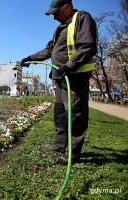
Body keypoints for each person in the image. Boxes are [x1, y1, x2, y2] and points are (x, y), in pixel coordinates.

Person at [20, 0, 97, 165]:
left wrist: (68, 67)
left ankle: (72, 154)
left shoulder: (81, 18)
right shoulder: (60, 28)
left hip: (74, 77)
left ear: (67, 7)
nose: (54, 17)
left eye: (56, 12)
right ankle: (59, 144)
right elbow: (49, 50)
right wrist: (30, 58)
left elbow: (88, 46)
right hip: (60, 78)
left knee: (75, 115)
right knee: (60, 113)